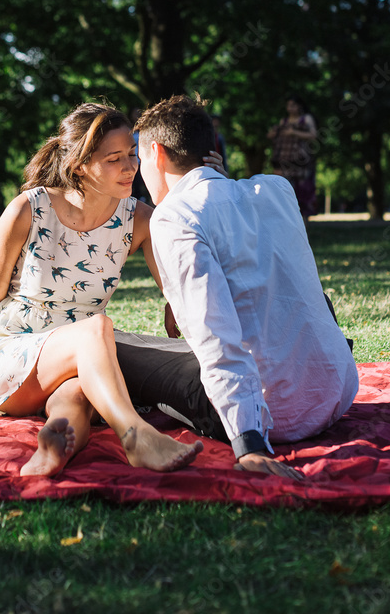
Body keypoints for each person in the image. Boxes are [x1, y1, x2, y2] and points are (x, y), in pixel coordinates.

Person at [0, 103, 205, 477]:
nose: (130, 166)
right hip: (10, 353)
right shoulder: (29, 208)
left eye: (131, 154)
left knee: (76, 397)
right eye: (114, 159)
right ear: (80, 165)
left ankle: (53, 448)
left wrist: (173, 303)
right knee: (97, 328)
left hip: (76, 359)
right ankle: (135, 435)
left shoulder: (139, 218)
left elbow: (176, 285)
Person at [134, 95, 359, 481]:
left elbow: (213, 333)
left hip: (273, 416)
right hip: (335, 392)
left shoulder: (174, 216)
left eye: (139, 161)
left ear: (156, 153)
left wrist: (248, 442)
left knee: (114, 348)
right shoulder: (277, 190)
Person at [267, 95, 317, 216]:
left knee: (302, 196)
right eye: (288, 105)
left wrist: (294, 133)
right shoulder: (283, 121)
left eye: (293, 105)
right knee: (283, 194)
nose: (290, 108)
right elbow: (271, 136)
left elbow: (313, 135)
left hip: (301, 162)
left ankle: (304, 226)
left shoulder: (306, 119)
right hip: (283, 161)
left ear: (299, 106)